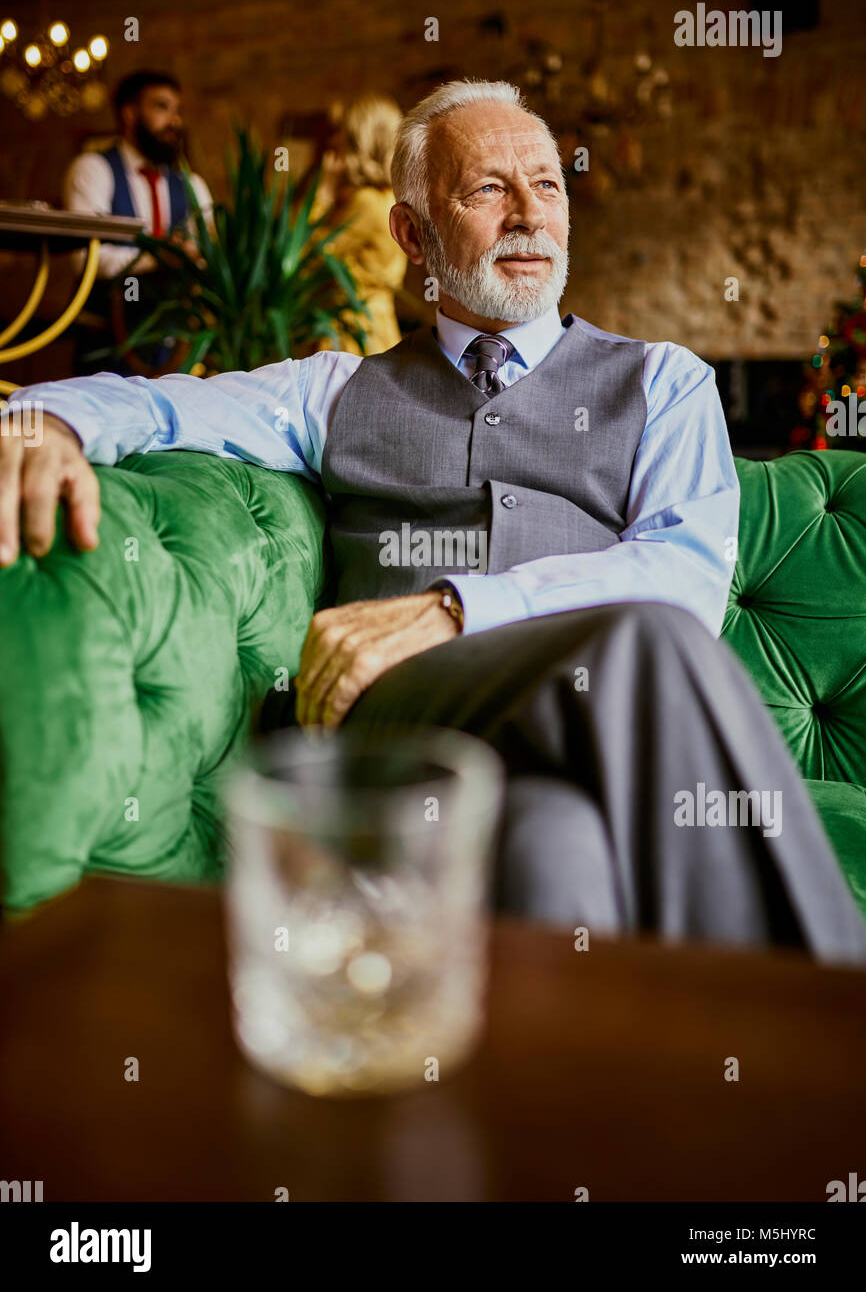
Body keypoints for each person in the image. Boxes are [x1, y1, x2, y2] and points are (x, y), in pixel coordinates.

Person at [3, 79, 864, 962]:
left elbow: (686, 578)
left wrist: (455, 606)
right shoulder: (333, 389)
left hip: (569, 741)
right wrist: (41, 424)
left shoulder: (662, 381)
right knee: (650, 644)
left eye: (548, 185)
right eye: (488, 189)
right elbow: (162, 406)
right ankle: (827, 1031)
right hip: (396, 727)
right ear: (413, 233)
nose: (528, 214)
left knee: (553, 847)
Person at [63, 69, 212, 373]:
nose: (175, 121)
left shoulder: (192, 184)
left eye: (177, 111)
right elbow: (84, 258)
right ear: (129, 114)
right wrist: (157, 257)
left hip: (176, 349)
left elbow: (209, 253)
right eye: (161, 107)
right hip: (107, 346)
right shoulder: (93, 169)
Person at [311, 94, 407, 355]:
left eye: (340, 134)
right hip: (378, 326)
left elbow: (305, 255)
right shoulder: (388, 195)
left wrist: (321, 194)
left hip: (354, 335)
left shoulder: (366, 202)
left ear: (359, 141)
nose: (333, 141)